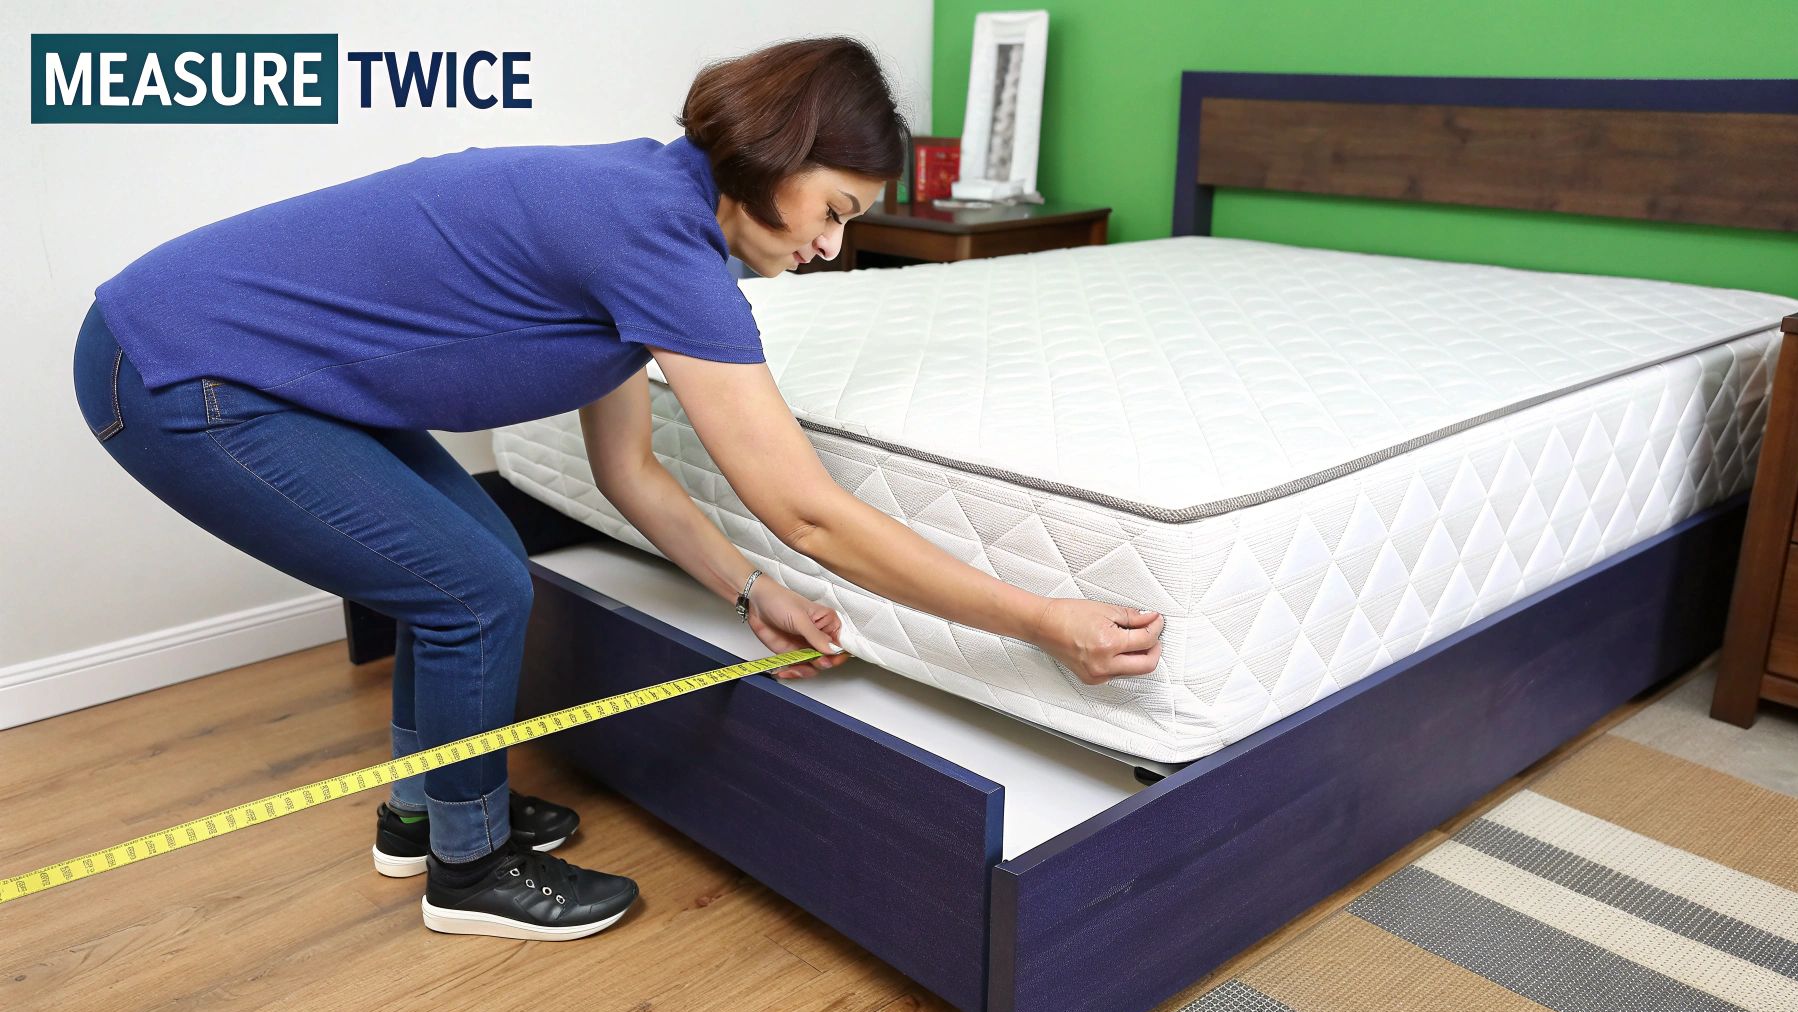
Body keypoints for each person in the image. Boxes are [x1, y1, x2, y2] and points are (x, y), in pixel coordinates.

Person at [69, 36, 1164, 943]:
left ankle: (426, 809)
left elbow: (627, 469)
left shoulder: (654, 205)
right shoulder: (654, 235)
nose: (833, 249)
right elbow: (809, 511)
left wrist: (746, 594)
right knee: (473, 588)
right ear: (777, 156)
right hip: (176, 367)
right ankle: (467, 866)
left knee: (473, 553)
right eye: (832, 210)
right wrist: (1037, 617)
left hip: (226, 359)